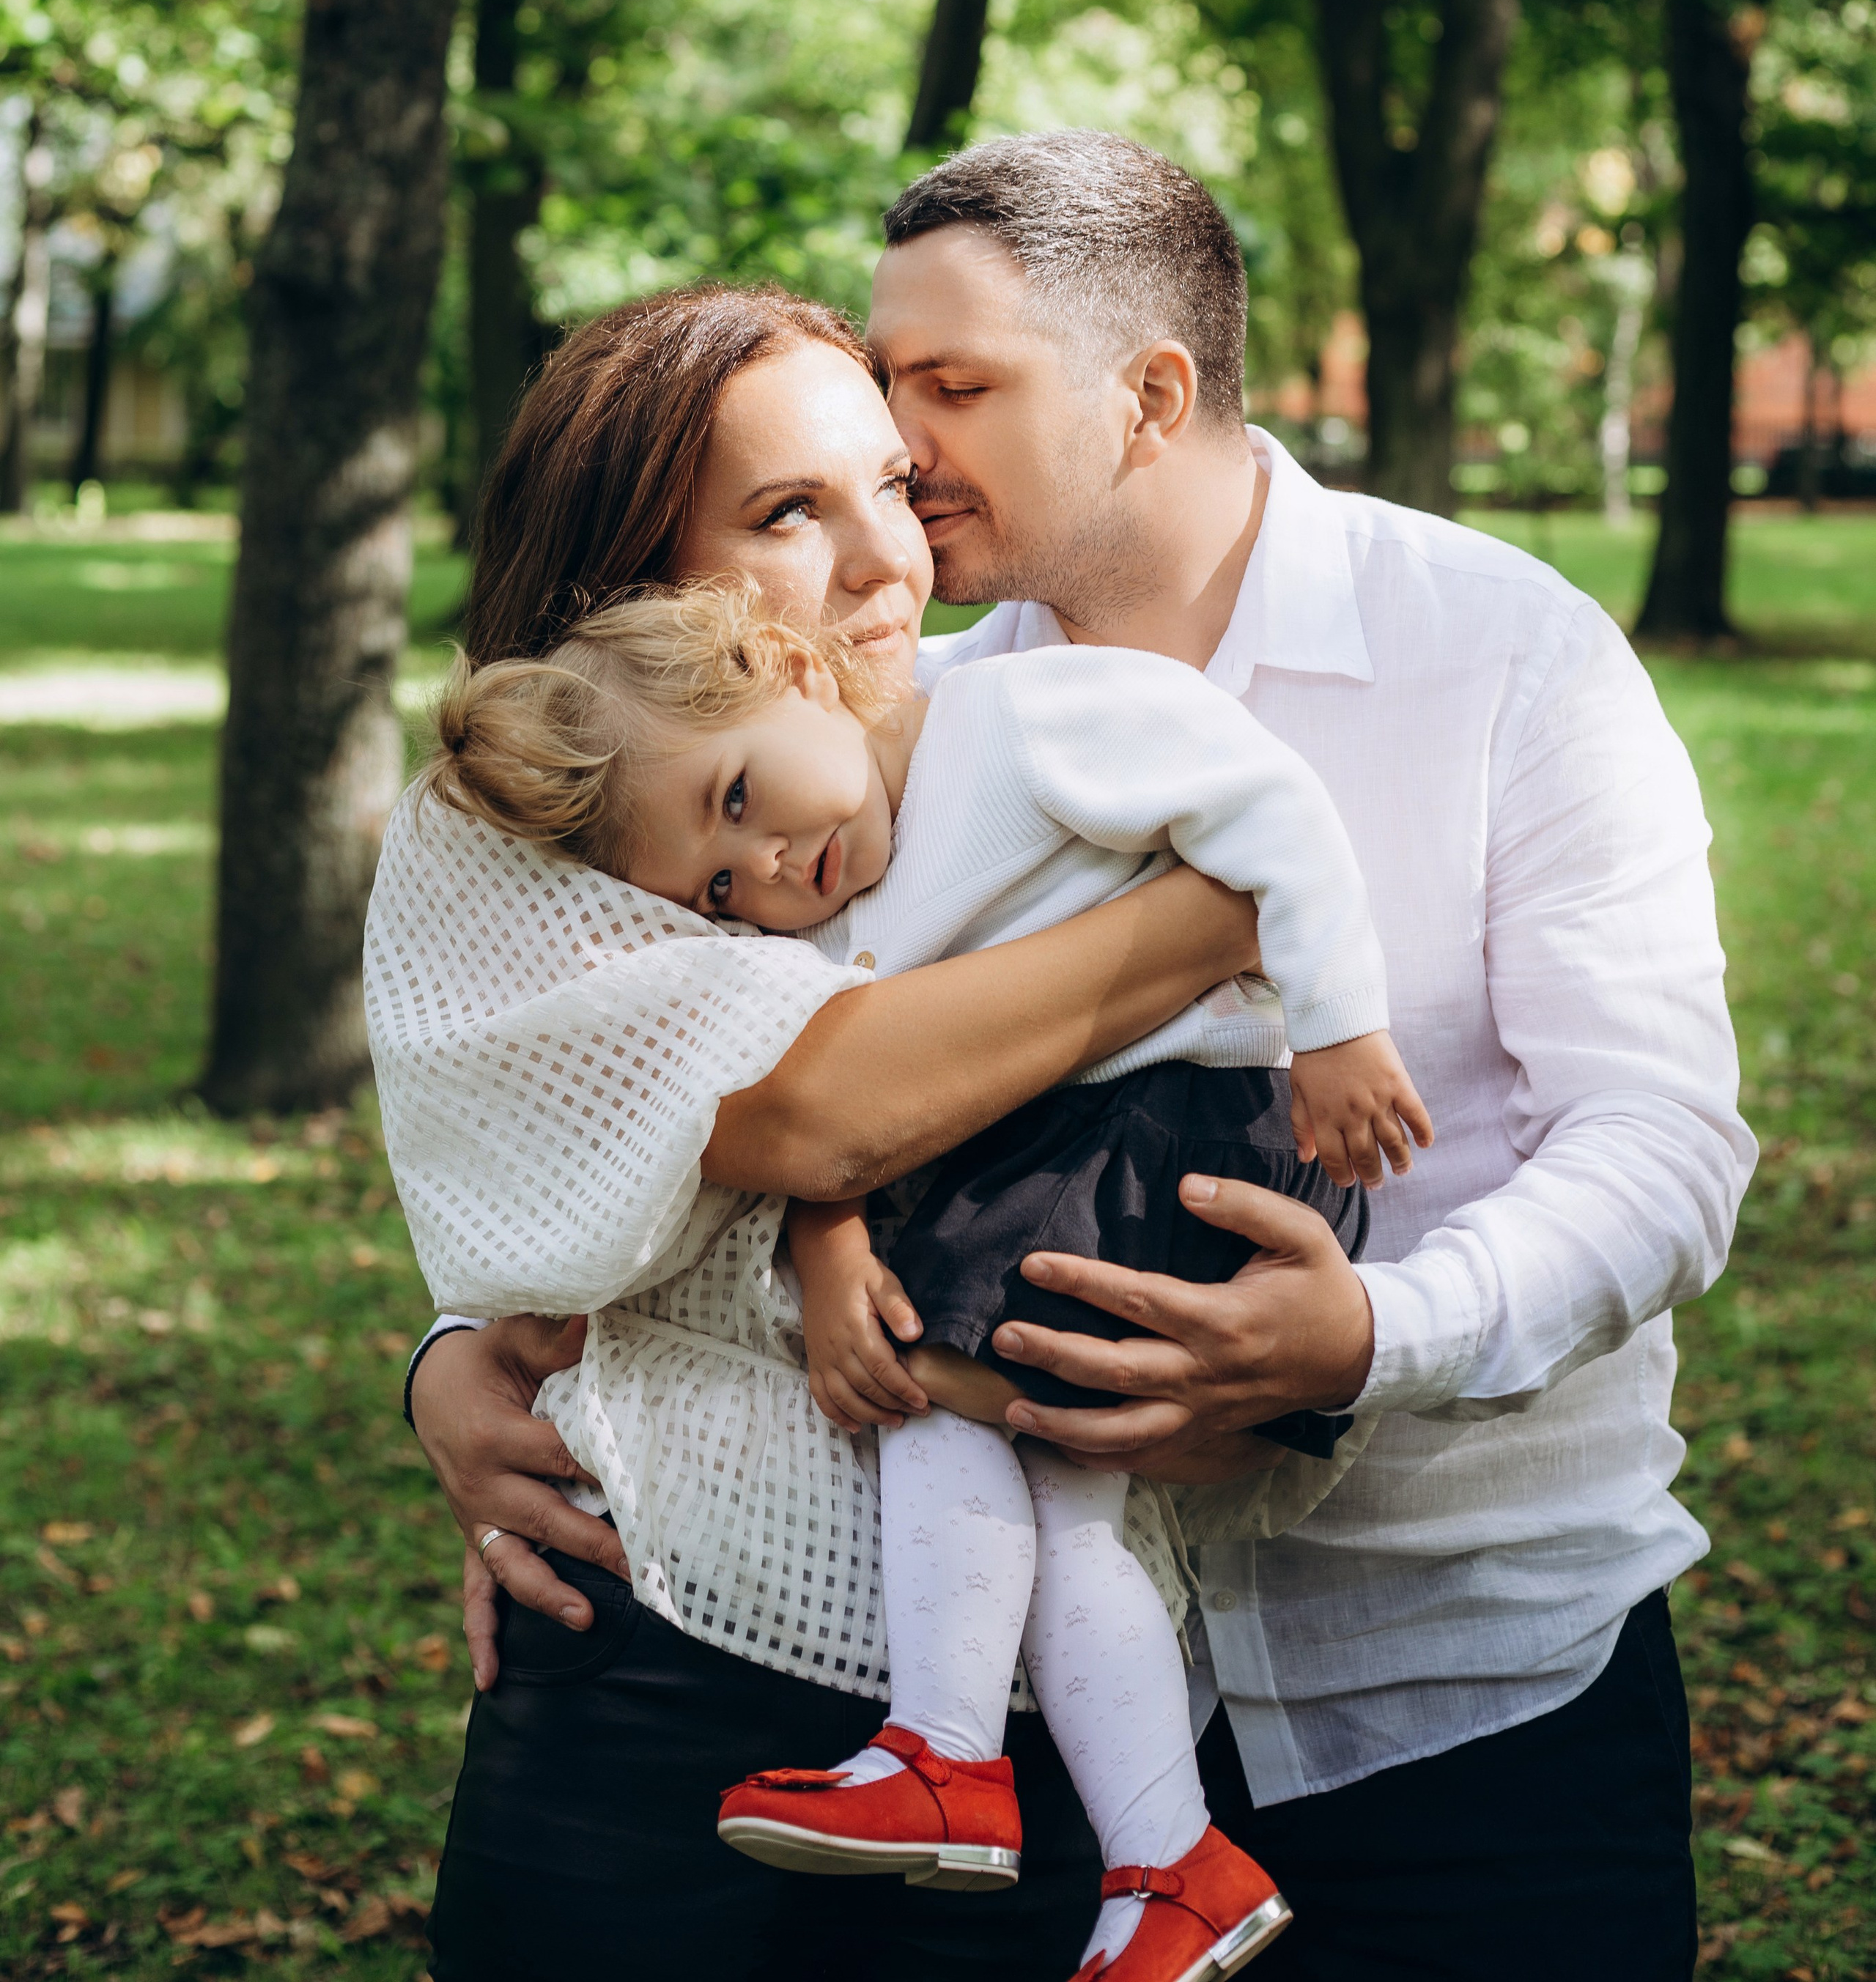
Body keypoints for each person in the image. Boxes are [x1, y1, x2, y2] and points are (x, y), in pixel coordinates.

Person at [416, 133, 1754, 1982]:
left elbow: (1662, 1143)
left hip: (1463, 1681)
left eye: (951, 390)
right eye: (887, 388)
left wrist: (1368, 1340)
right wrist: (461, 1359)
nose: (904, 457)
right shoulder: (901, 714)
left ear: (1149, 397)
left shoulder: (1506, 655)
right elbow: (726, 1065)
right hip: (1083, 1741)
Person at [373, 278, 1274, 1982]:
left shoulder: (992, 742)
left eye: (890, 486)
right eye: (786, 512)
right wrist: (1210, 917)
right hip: (669, 1645)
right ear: (630, 579)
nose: (886, 561)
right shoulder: (506, 820)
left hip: (1039, 1706)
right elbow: (812, 1107)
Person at [416, 573, 1432, 1979]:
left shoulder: (1023, 720)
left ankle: (948, 1759)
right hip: (1104, 1145)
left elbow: (1273, 808)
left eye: (738, 798)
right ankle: (1169, 1864)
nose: (770, 866)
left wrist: (1341, 1029)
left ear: (789, 667)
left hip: (1179, 1131)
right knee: (1063, 1511)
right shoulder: (838, 887)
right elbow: (841, 1099)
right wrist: (825, 1234)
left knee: (926, 1388)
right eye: (720, 884)